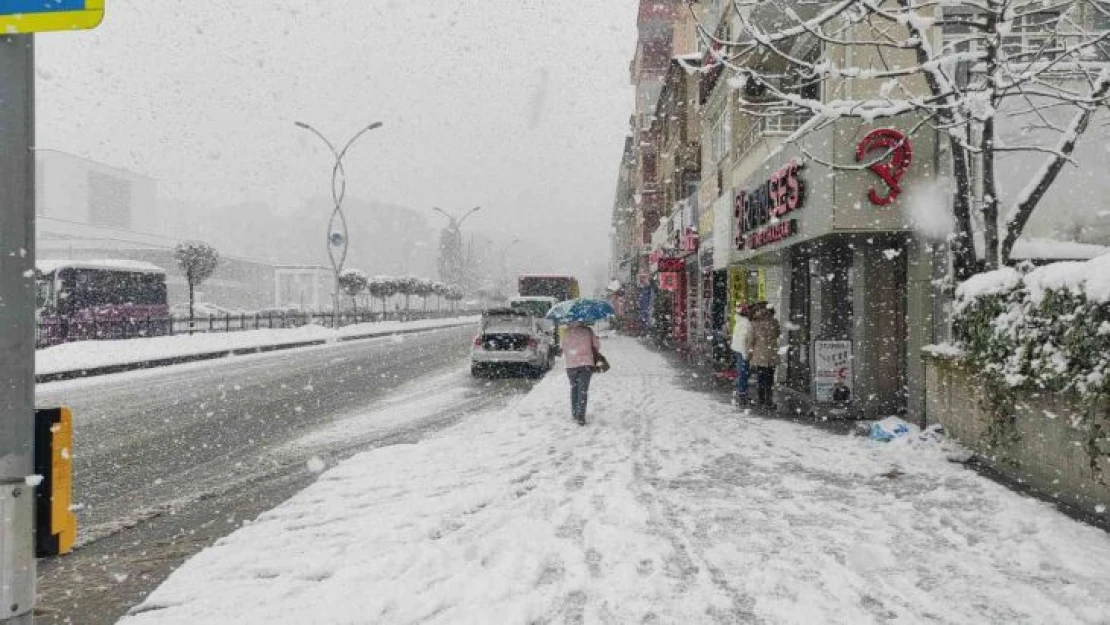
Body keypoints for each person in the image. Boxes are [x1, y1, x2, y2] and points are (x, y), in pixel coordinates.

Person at [562, 321, 600, 425]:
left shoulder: (566, 332)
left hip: (571, 365)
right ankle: (581, 416)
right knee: (583, 390)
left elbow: (563, 348)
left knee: (574, 388)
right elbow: (596, 346)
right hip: (586, 364)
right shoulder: (588, 331)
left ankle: (574, 412)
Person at [750, 302, 781, 410]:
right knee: (770, 379)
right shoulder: (774, 322)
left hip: (759, 354)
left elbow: (752, 339)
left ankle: (761, 400)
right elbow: (777, 334)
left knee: (761, 378)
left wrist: (750, 352)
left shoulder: (755, 323)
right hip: (771, 354)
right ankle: (768, 401)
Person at [730, 303, 754, 406]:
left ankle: (741, 393)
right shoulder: (746, 323)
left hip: (738, 349)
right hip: (743, 351)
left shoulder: (739, 322)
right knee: (744, 373)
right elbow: (744, 340)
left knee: (741, 372)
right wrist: (746, 353)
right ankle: (742, 394)